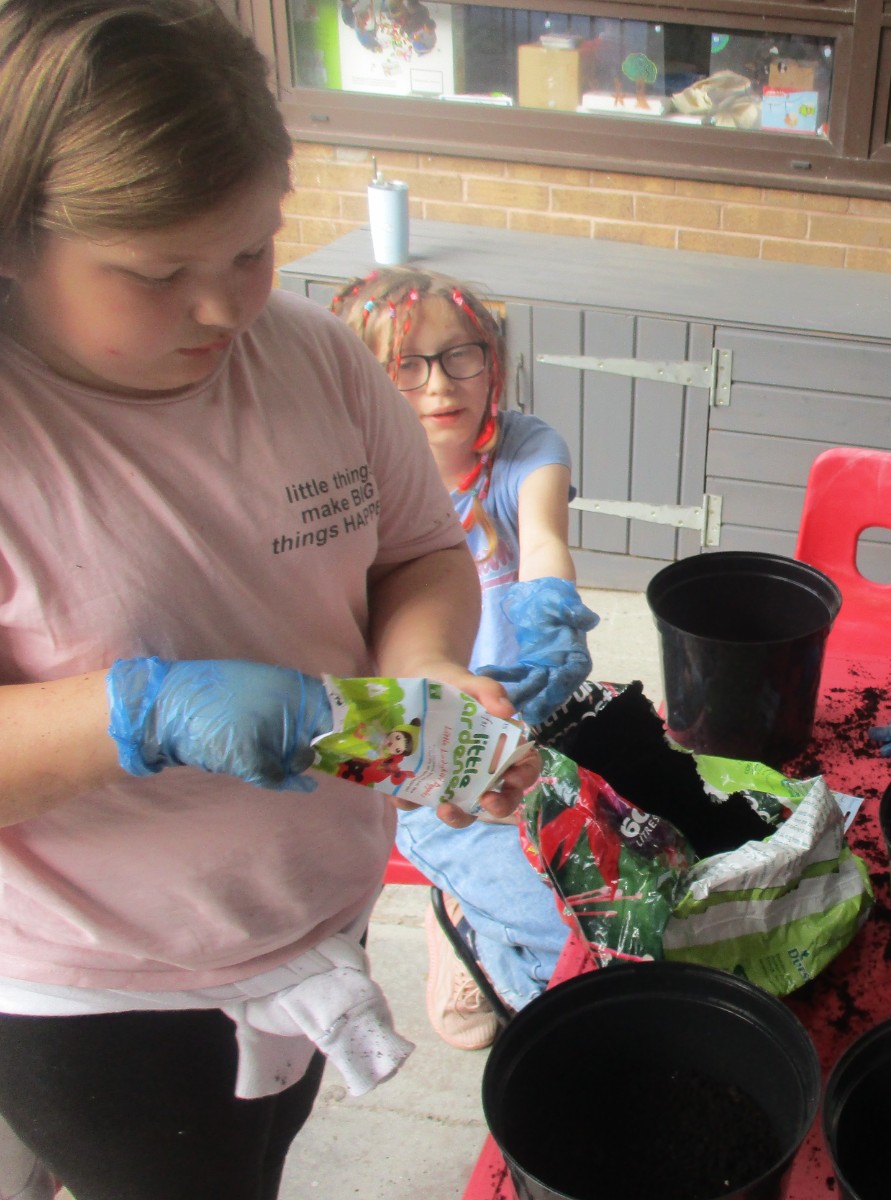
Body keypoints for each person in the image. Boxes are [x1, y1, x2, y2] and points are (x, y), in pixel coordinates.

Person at [0, 3, 537, 1197]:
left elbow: (417, 555)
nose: (223, 309)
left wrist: (426, 675)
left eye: (252, 249)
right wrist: (137, 712)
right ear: (14, 239)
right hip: (108, 985)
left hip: (315, 909)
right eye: (156, 272)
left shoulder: (314, 354)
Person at [333, 267, 597, 1051]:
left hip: (533, 717)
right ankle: (470, 926)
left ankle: (473, 915)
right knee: (570, 949)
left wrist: (550, 614)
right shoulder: (350, 486)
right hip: (430, 749)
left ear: (496, 361)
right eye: (403, 365)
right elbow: (366, 711)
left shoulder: (524, 446)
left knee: (618, 884)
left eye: (462, 356)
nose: (439, 385)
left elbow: (544, 538)